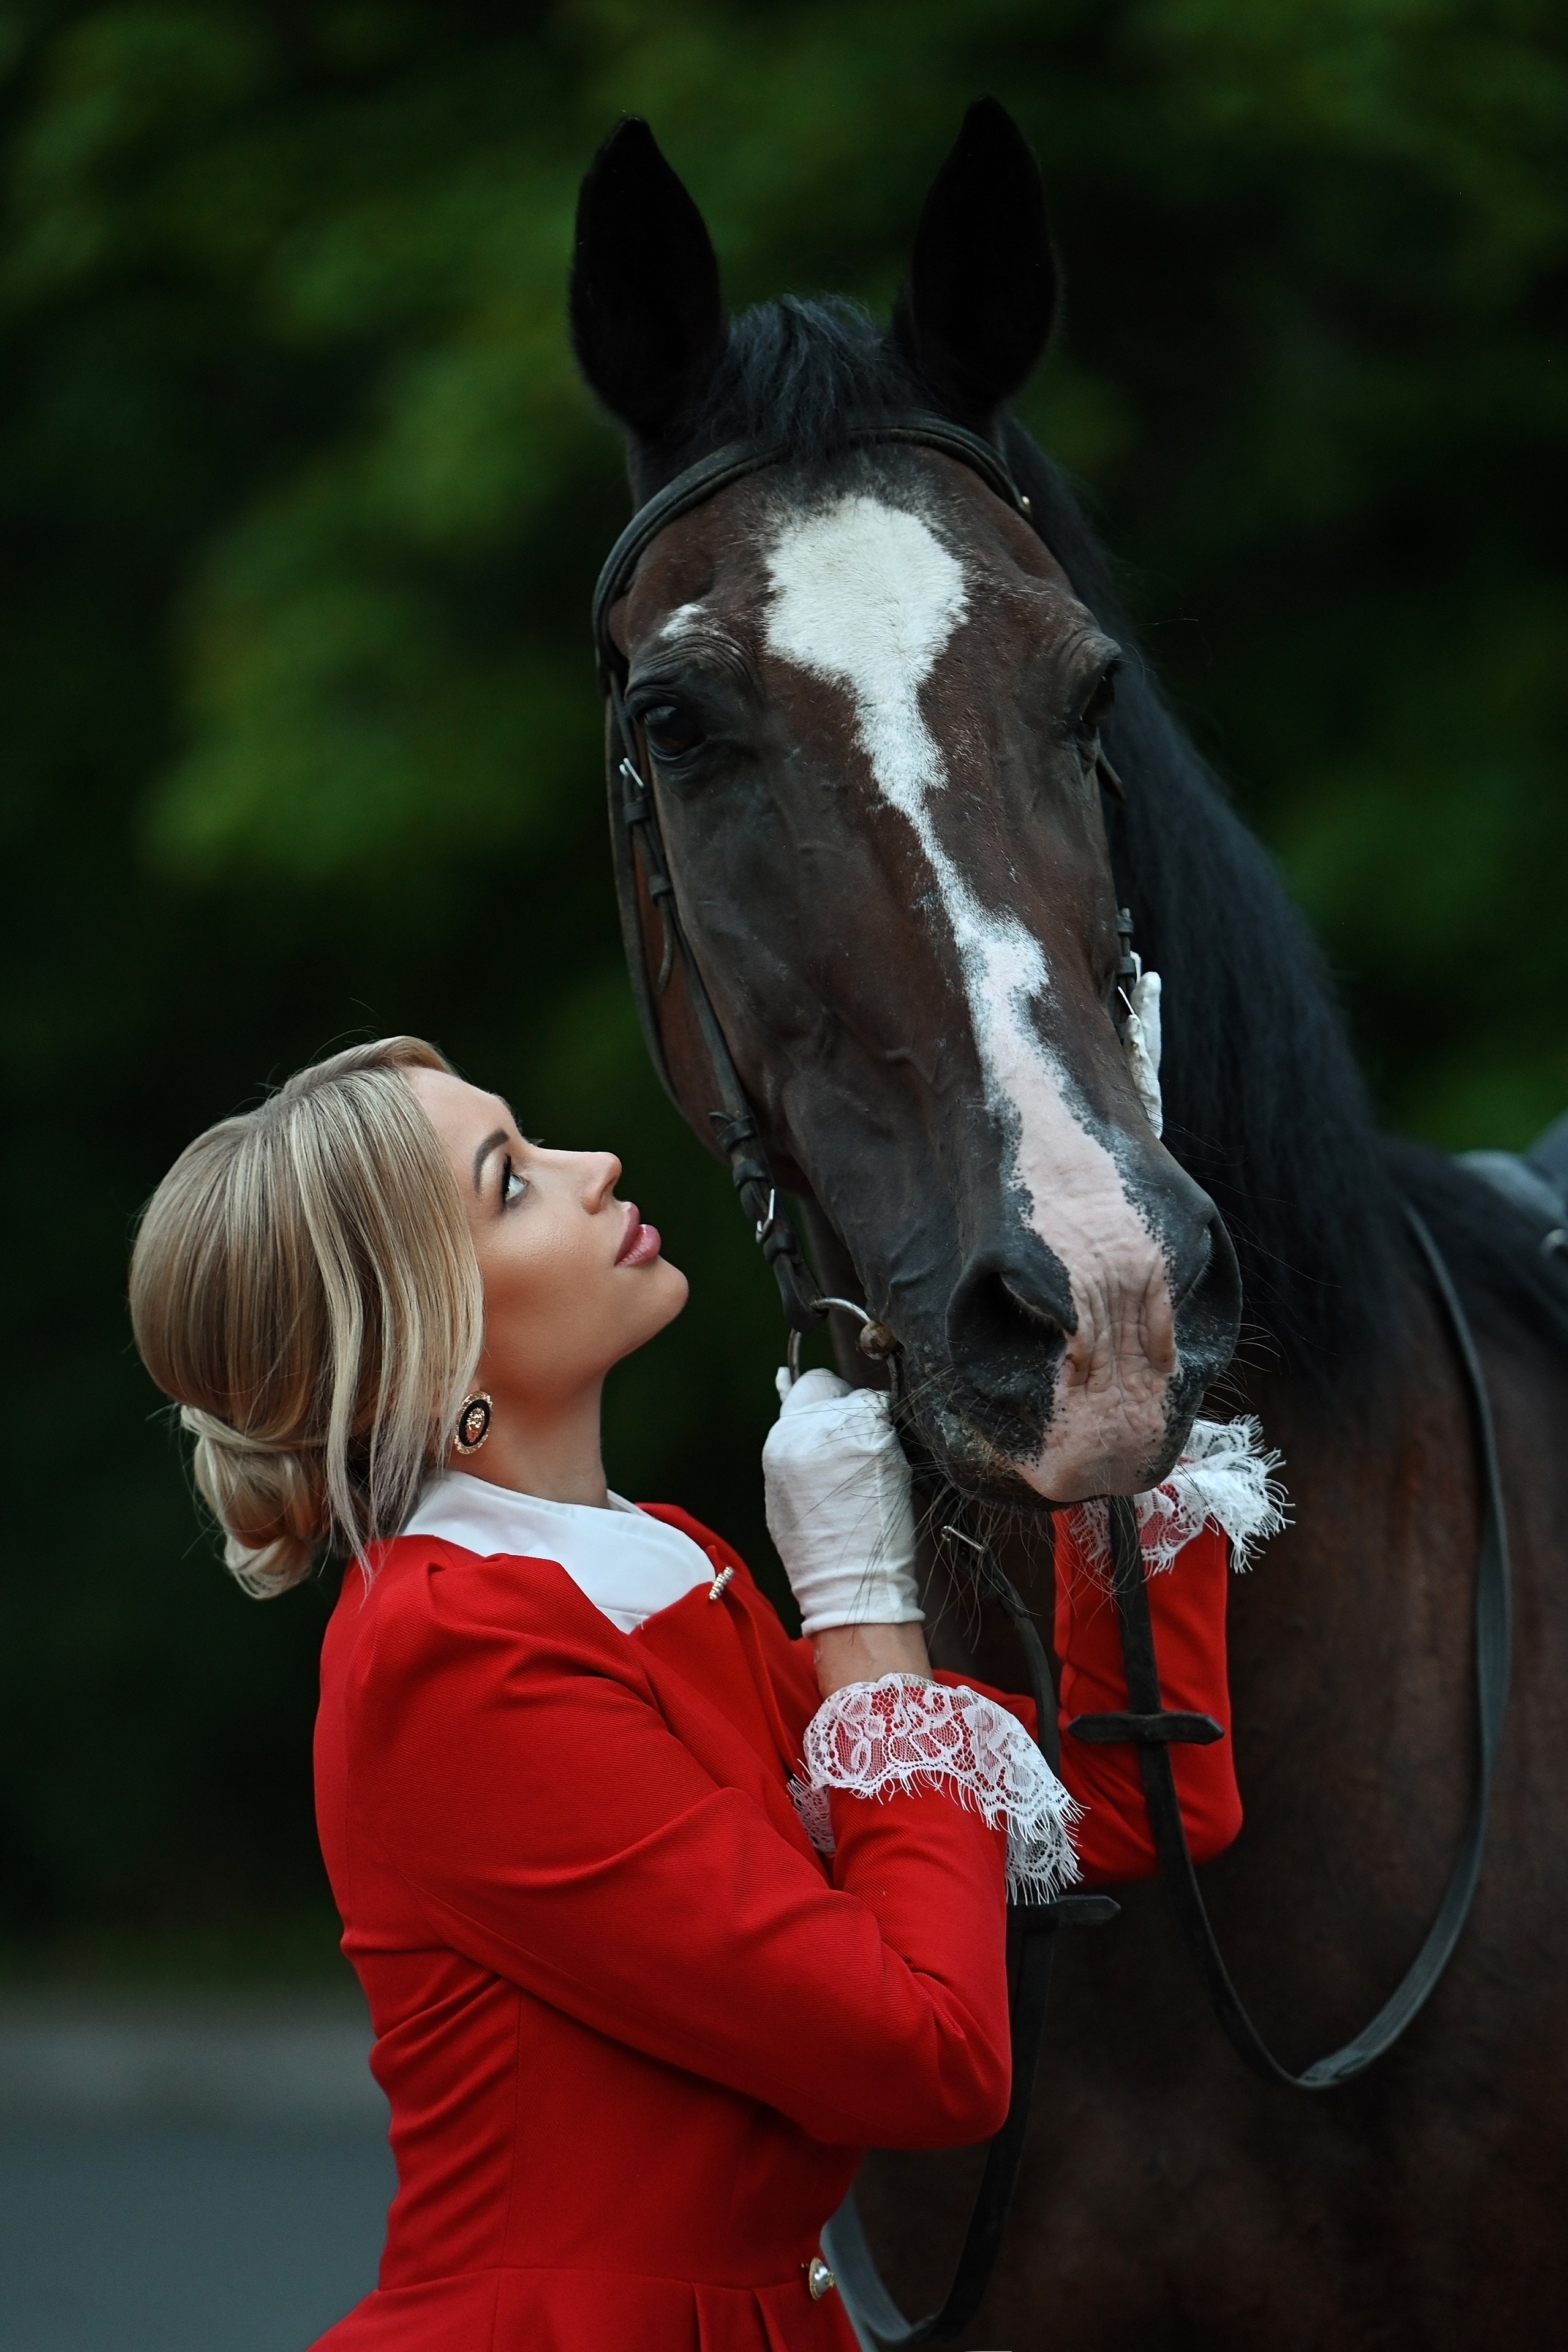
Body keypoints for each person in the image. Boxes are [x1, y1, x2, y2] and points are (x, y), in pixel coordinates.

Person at [129, 1035, 1242, 2350]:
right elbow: (924, 2052)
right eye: (510, 1183)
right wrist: (859, 1610)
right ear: (430, 1360)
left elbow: (1121, 1810)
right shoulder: (448, 1654)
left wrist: (1117, 1402)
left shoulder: (653, 1564)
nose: (592, 1167)